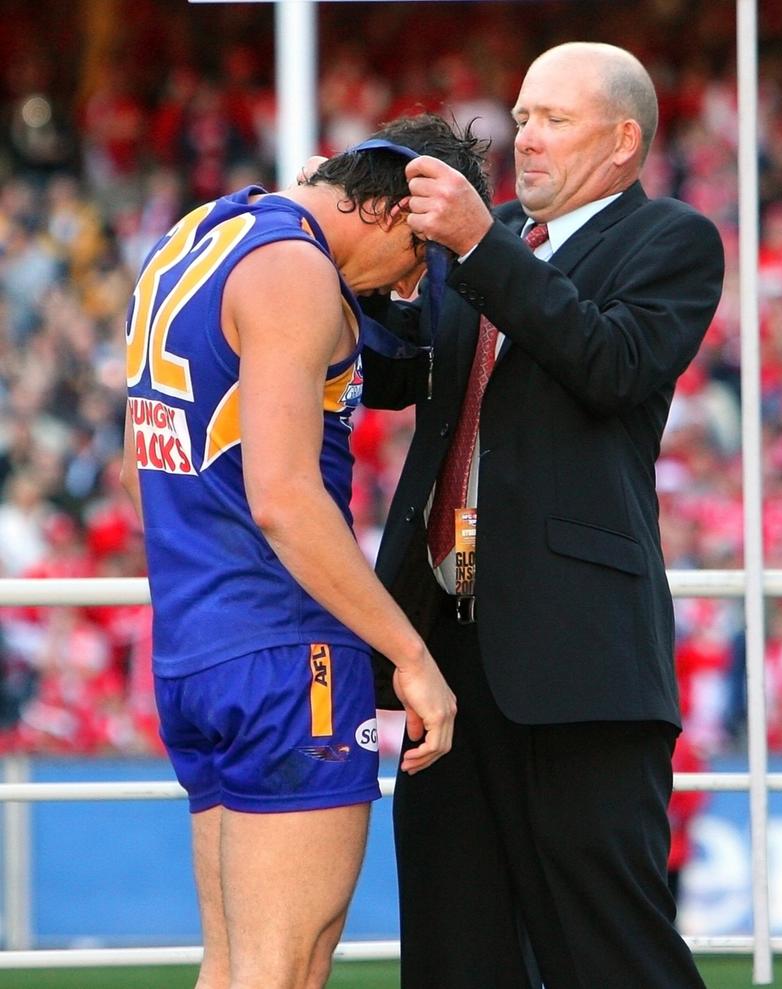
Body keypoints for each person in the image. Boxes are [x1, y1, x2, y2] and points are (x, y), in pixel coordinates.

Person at [362, 43, 725, 988]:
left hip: (579, 659)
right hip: (443, 649)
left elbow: (609, 365)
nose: (524, 137)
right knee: (452, 951)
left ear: (622, 140)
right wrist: (372, 277)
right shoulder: (486, 245)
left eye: (554, 120)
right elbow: (401, 380)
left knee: (610, 947)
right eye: (521, 117)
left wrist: (480, 248)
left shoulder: (672, 241)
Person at [120, 114, 490, 989]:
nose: (404, 292)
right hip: (285, 649)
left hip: (195, 640)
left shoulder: (196, 235)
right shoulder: (295, 270)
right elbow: (285, 499)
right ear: (395, 211)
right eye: (415, 263)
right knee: (284, 970)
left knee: (238, 966)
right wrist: (409, 654)